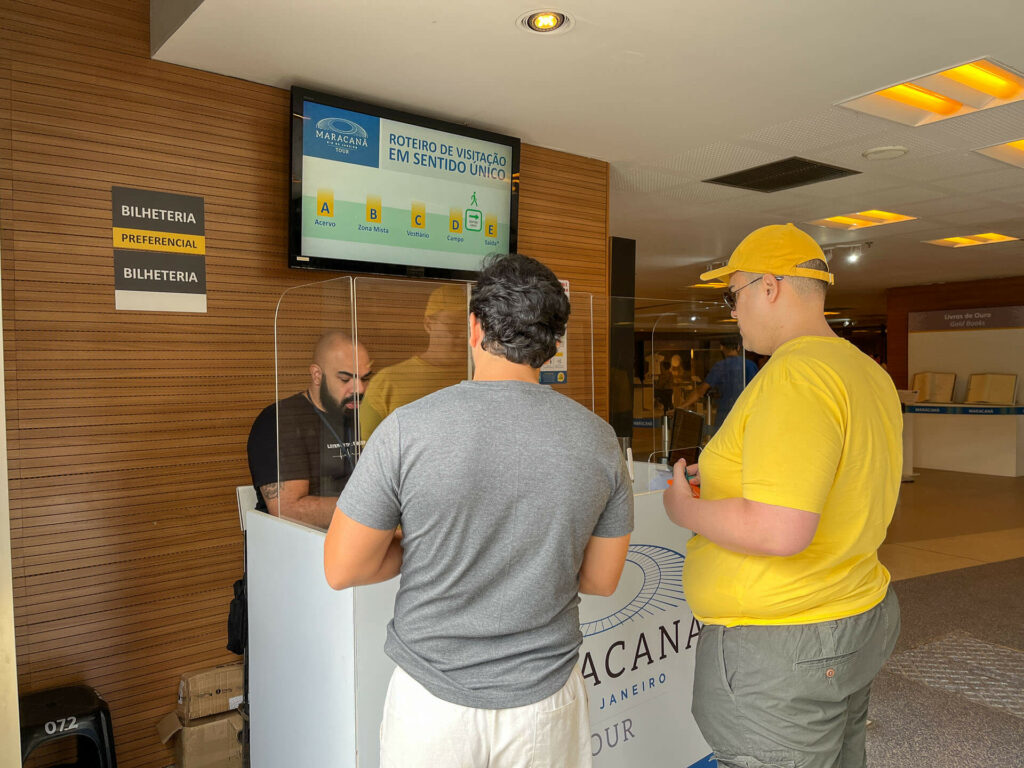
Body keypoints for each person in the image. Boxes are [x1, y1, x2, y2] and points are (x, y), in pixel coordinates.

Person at [324, 253, 634, 768]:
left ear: (474, 327)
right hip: (545, 702)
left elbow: (342, 568)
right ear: (555, 342)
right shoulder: (598, 441)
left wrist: (423, 543)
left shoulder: (407, 428)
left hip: (430, 704)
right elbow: (602, 580)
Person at [662, 223, 902, 768]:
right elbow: (841, 477)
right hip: (851, 612)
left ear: (769, 287)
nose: (733, 311)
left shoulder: (796, 375)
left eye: (734, 294)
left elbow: (779, 529)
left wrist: (687, 509)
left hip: (785, 643)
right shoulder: (866, 372)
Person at [246, 331, 373, 529]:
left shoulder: (367, 415)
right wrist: (377, 507)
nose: (359, 389)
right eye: (345, 379)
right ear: (317, 375)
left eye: (364, 379)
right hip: (301, 545)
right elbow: (288, 510)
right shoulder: (280, 420)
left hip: (363, 536)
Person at [358, 283, 468, 441]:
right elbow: (370, 453)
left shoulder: (480, 375)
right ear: (429, 324)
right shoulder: (387, 382)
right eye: (454, 326)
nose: (463, 335)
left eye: (468, 326)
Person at [676, 338, 758, 429]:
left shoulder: (720, 366)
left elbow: (701, 391)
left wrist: (682, 406)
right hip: (747, 414)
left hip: (726, 414)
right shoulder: (750, 365)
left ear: (721, 347)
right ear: (739, 347)